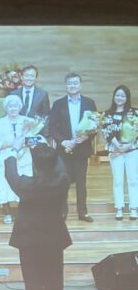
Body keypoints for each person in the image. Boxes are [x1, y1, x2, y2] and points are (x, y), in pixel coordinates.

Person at [4, 139, 72, 290]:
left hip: (29, 240)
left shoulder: (26, 185)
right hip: (54, 239)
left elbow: (10, 173)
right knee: (54, 282)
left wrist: (14, 150)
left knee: (32, 283)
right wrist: (47, 147)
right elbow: (61, 167)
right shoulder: (62, 181)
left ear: (34, 165)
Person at [48, 72, 97, 222]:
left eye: (75, 83)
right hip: (64, 149)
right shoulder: (58, 104)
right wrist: (63, 142)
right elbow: (52, 127)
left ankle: (83, 212)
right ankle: (62, 211)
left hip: (82, 149)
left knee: (81, 183)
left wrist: (86, 137)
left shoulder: (89, 103)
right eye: (70, 83)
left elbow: (95, 125)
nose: (73, 86)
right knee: (63, 182)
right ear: (66, 85)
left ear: (80, 85)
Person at [101, 84, 138, 221]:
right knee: (117, 180)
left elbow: (136, 131)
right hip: (115, 151)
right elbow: (106, 131)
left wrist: (128, 146)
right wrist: (118, 145)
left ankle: (133, 208)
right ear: (113, 97)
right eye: (117, 95)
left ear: (127, 98)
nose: (119, 98)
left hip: (132, 150)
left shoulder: (134, 113)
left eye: (123, 96)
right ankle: (119, 208)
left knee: (133, 180)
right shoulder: (108, 114)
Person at [0, 95, 30, 225]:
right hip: (6, 156)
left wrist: (24, 144)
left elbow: (32, 138)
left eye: (15, 106)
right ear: (6, 108)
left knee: (25, 184)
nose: (13, 108)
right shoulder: (0, 122)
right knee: (5, 185)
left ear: (20, 107)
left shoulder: (27, 121)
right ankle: (7, 213)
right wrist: (11, 144)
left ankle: (23, 213)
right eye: (10, 106)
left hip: (23, 156)